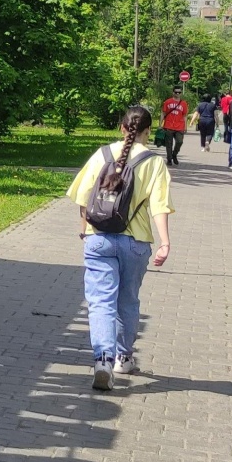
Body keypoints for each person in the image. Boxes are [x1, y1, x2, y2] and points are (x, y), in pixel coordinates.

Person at [65, 105, 172, 391]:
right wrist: (165, 242)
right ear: (147, 132)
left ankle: (102, 359)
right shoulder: (154, 162)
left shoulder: (101, 154)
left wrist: (84, 230)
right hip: (135, 242)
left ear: (122, 128)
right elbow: (159, 206)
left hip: (98, 238)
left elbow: (82, 196)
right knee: (127, 300)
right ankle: (123, 358)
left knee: (100, 302)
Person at [159, 88, 188, 164]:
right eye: (176, 92)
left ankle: (174, 154)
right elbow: (163, 113)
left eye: (179, 92)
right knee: (169, 143)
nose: (178, 94)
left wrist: (185, 127)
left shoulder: (183, 103)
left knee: (179, 142)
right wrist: (160, 124)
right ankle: (169, 159)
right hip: (168, 126)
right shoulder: (168, 102)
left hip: (180, 126)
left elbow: (185, 115)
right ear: (173, 93)